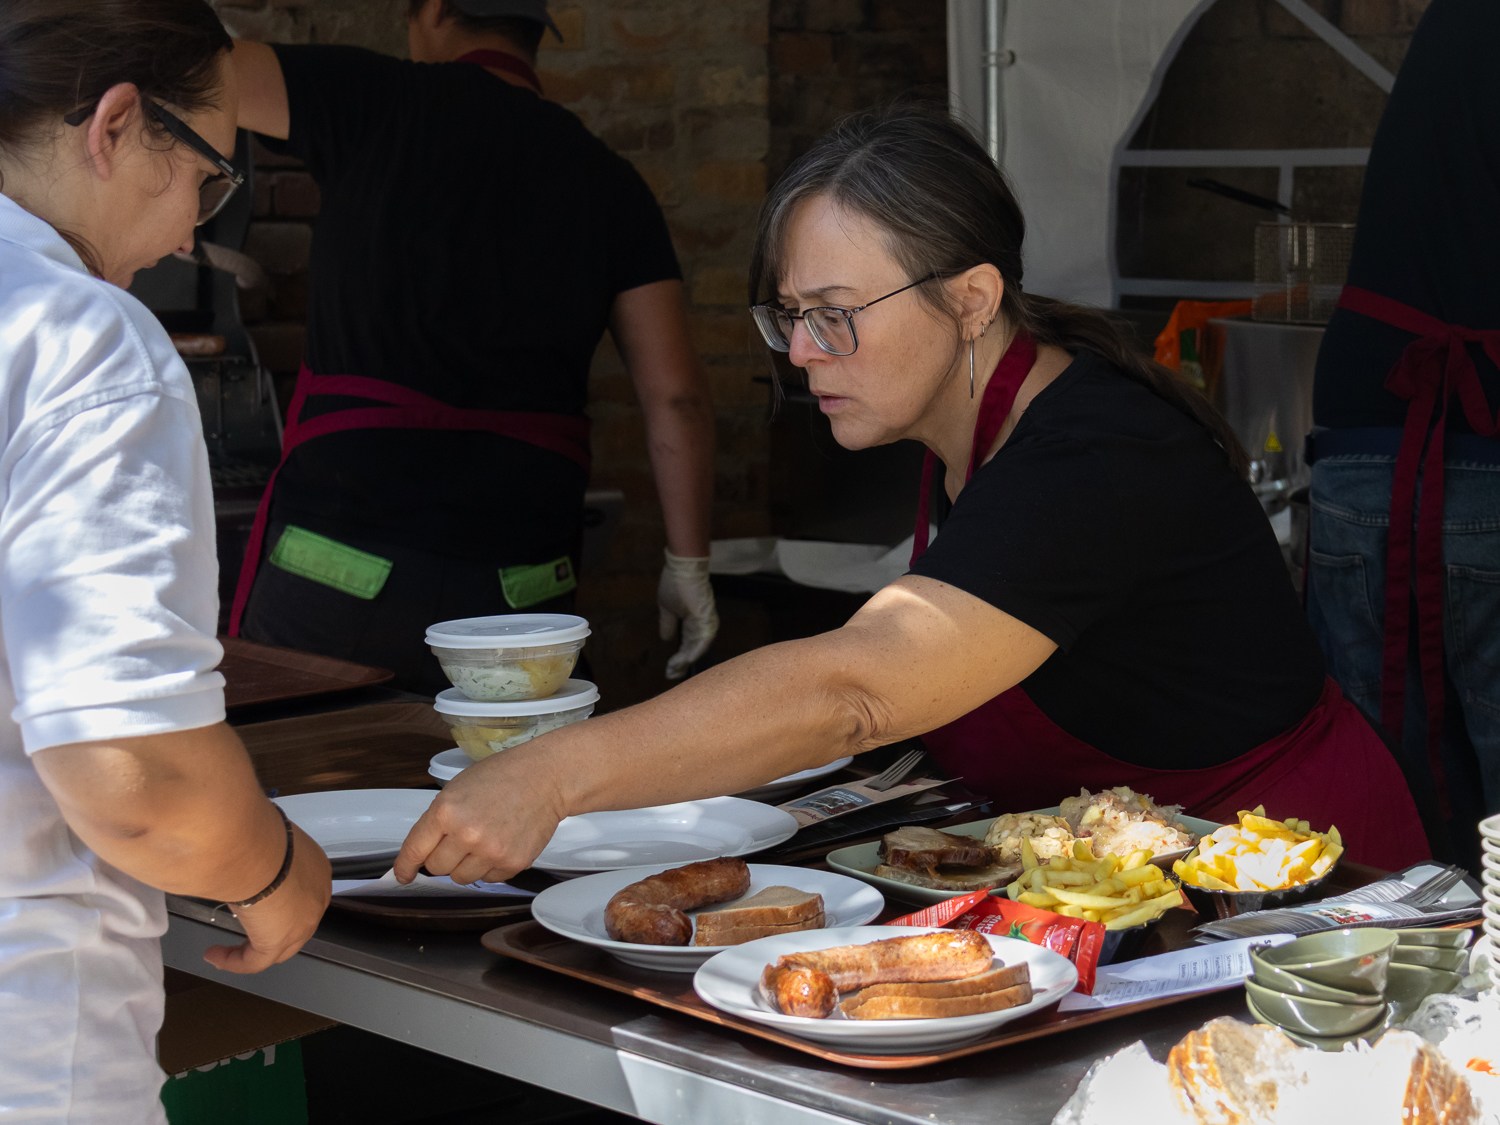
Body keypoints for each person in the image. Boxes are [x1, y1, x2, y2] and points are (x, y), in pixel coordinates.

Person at [392, 104, 1432, 889]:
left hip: (1285, 888)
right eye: (790, 314)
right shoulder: (960, 430)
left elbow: (860, 689)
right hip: (1127, 876)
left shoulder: (1100, 455)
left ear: (972, 300)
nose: (802, 353)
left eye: (837, 314)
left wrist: (554, 774)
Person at [0, 3, 330, 1120]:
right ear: (118, 126)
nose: (194, 231)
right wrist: (278, 873)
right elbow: (135, 775)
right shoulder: (79, 336)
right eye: (206, 175)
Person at [227, 0, 718, 693]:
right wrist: (689, 562)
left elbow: (196, 70)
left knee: (303, 783)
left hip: (332, 572)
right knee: (496, 792)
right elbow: (677, 396)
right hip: (515, 597)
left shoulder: (369, 97)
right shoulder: (611, 183)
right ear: (534, 38)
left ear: (431, 11)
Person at [1307, 0, 1500, 876]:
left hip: (1369, 435)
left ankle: (1398, 993)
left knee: (1385, 788)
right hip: (1460, 439)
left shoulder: (1457, 19)